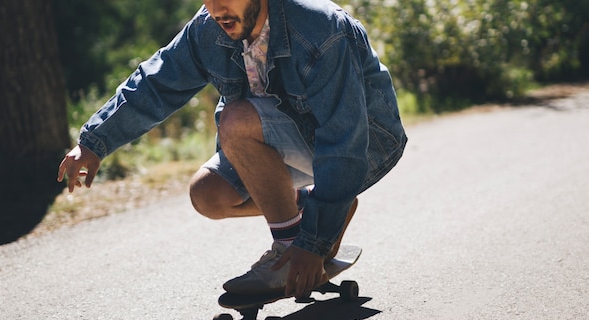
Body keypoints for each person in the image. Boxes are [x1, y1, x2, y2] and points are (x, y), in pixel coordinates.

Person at [58, 0, 407, 299]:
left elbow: (344, 142)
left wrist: (312, 244)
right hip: (295, 143)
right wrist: (94, 142)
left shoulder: (321, 29)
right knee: (208, 194)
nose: (216, 9)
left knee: (236, 121)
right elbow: (156, 83)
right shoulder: (208, 28)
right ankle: (313, 209)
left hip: (365, 144)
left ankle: (288, 247)